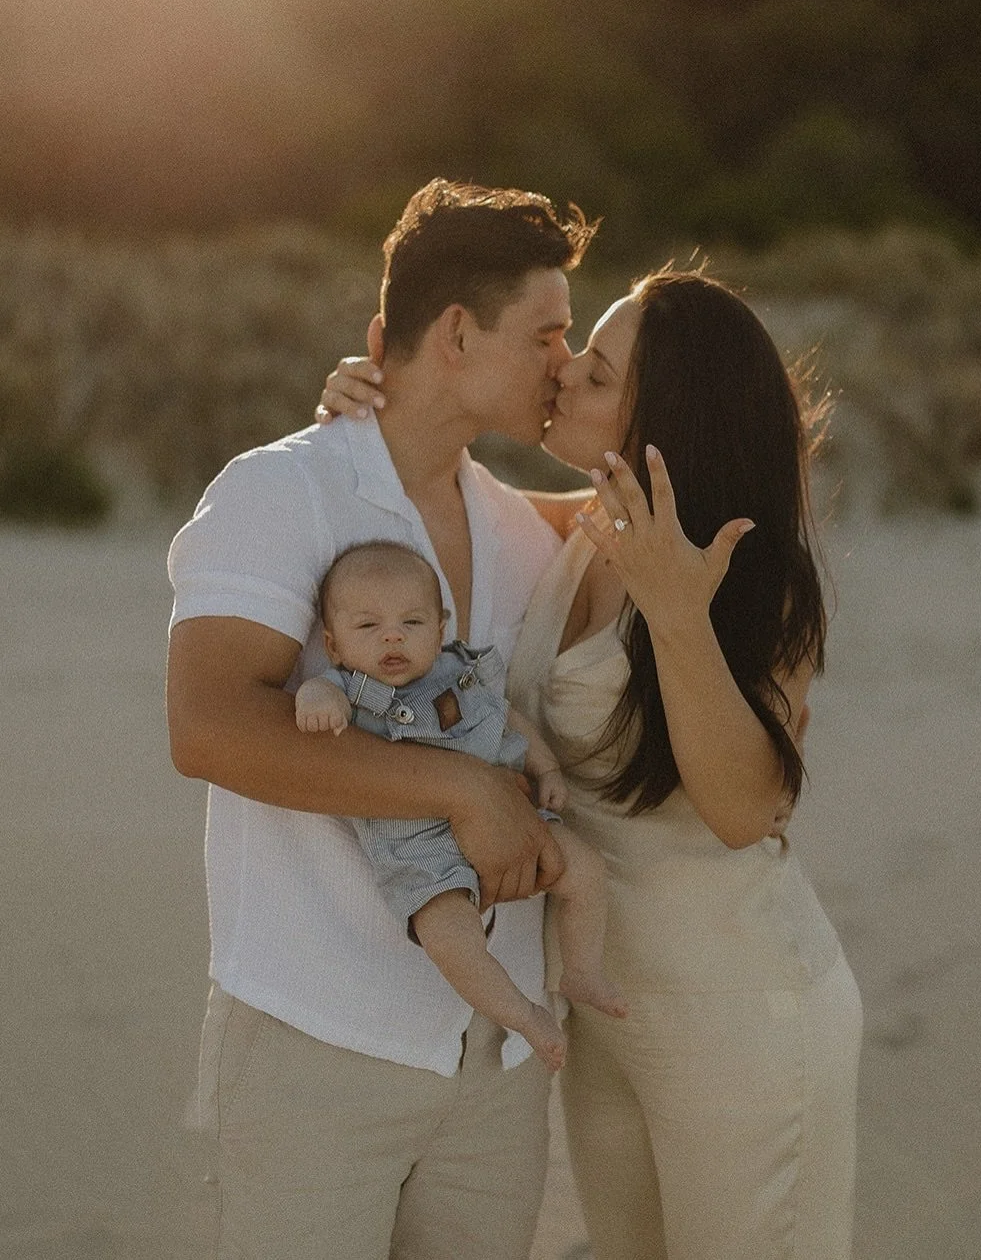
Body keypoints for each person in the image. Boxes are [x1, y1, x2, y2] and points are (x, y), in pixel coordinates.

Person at [317, 270, 864, 1259]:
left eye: (598, 371)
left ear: (667, 417)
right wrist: (369, 401)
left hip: (741, 1017)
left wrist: (676, 614)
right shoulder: (569, 526)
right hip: (603, 1014)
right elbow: (430, 489)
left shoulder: (752, 576)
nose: (564, 373)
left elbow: (745, 809)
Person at [166, 178, 598, 1260]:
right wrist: (459, 788)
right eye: (547, 332)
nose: (563, 357)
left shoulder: (523, 534)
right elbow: (208, 727)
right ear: (455, 331)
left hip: (498, 1060)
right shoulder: (282, 493)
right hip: (321, 1040)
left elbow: (667, 479)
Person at [294, 538, 627, 1072]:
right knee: (451, 939)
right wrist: (315, 700)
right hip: (420, 851)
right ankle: (522, 1014)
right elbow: (317, 694)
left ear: (442, 628)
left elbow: (507, 718)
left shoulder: (461, 672)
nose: (393, 636)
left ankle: (582, 968)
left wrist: (546, 768)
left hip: (514, 816)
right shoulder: (349, 690)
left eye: (413, 622)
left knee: (585, 868)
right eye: (367, 627)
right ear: (332, 645)